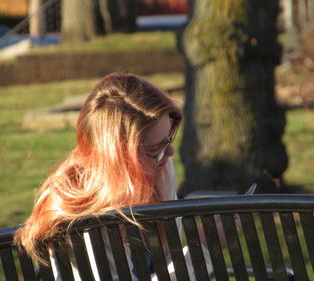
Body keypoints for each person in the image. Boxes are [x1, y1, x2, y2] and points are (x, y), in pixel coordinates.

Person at [14, 73, 205, 280]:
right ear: (119, 160)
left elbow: (165, 260)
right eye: (155, 148)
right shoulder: (80, 217)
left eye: (169, 140)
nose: (169, 153)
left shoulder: (159, 169)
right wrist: (203, 249)